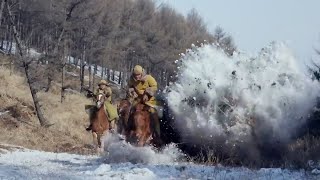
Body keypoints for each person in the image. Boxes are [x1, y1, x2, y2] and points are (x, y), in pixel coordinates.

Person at [127, 65, 160, 139]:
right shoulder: (132, 79)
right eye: (135, 75)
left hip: (149, 100)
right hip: (138, 100)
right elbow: (130, 86)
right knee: (130, 110)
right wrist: (132, 92)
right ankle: (127, 131)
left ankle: (157, 133)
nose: (137, 77)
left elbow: (155, 87)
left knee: (154, 113)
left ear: (142, 73)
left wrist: (147, 93)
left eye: (138, 75)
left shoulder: (149, 78)